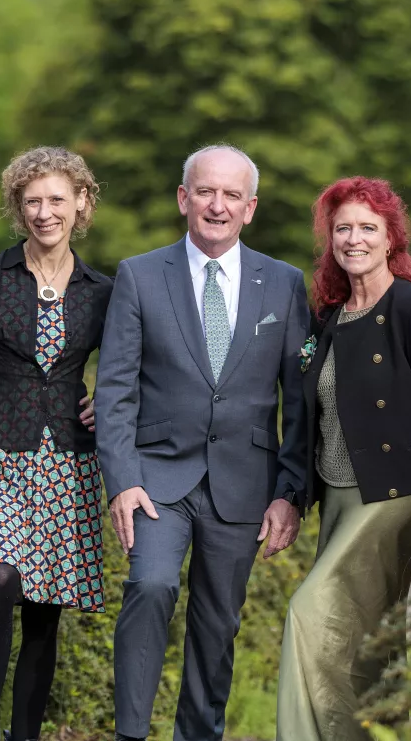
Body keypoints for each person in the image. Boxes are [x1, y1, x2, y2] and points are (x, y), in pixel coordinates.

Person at [94, 144, 309, 741]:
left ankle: (199, 734)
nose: (218, 205)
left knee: (218, 623)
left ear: (250, 208)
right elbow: (114, 390)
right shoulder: (139, 274)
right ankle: (130, 733)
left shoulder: (285, 284)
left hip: (244, 483)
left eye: (231, 195)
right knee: (151, 585)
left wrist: (291, 490)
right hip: (156, 478)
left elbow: (300, 400)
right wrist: (123, 480)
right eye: (206, 192)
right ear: (183, 199)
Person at [275, 177, 411, 740]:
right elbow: (308, 416)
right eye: (342, 229)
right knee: (363, 639)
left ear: (391, 240)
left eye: (367, 228)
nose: (353, 239)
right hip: (337, 492)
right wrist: (292, 493)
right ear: (330, 239)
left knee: (309, 614)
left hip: (395, 492)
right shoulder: (329, 315)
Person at [0, 147, 113, 741]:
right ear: (18, 206)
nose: (45, 212)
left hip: (68, 459)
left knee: (45, 609)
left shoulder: (102, 290)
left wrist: (106, 404)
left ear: (82, 204)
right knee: (0, 578)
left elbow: (127, 371)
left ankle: (25, 733)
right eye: (32, 200)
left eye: (57, 200)